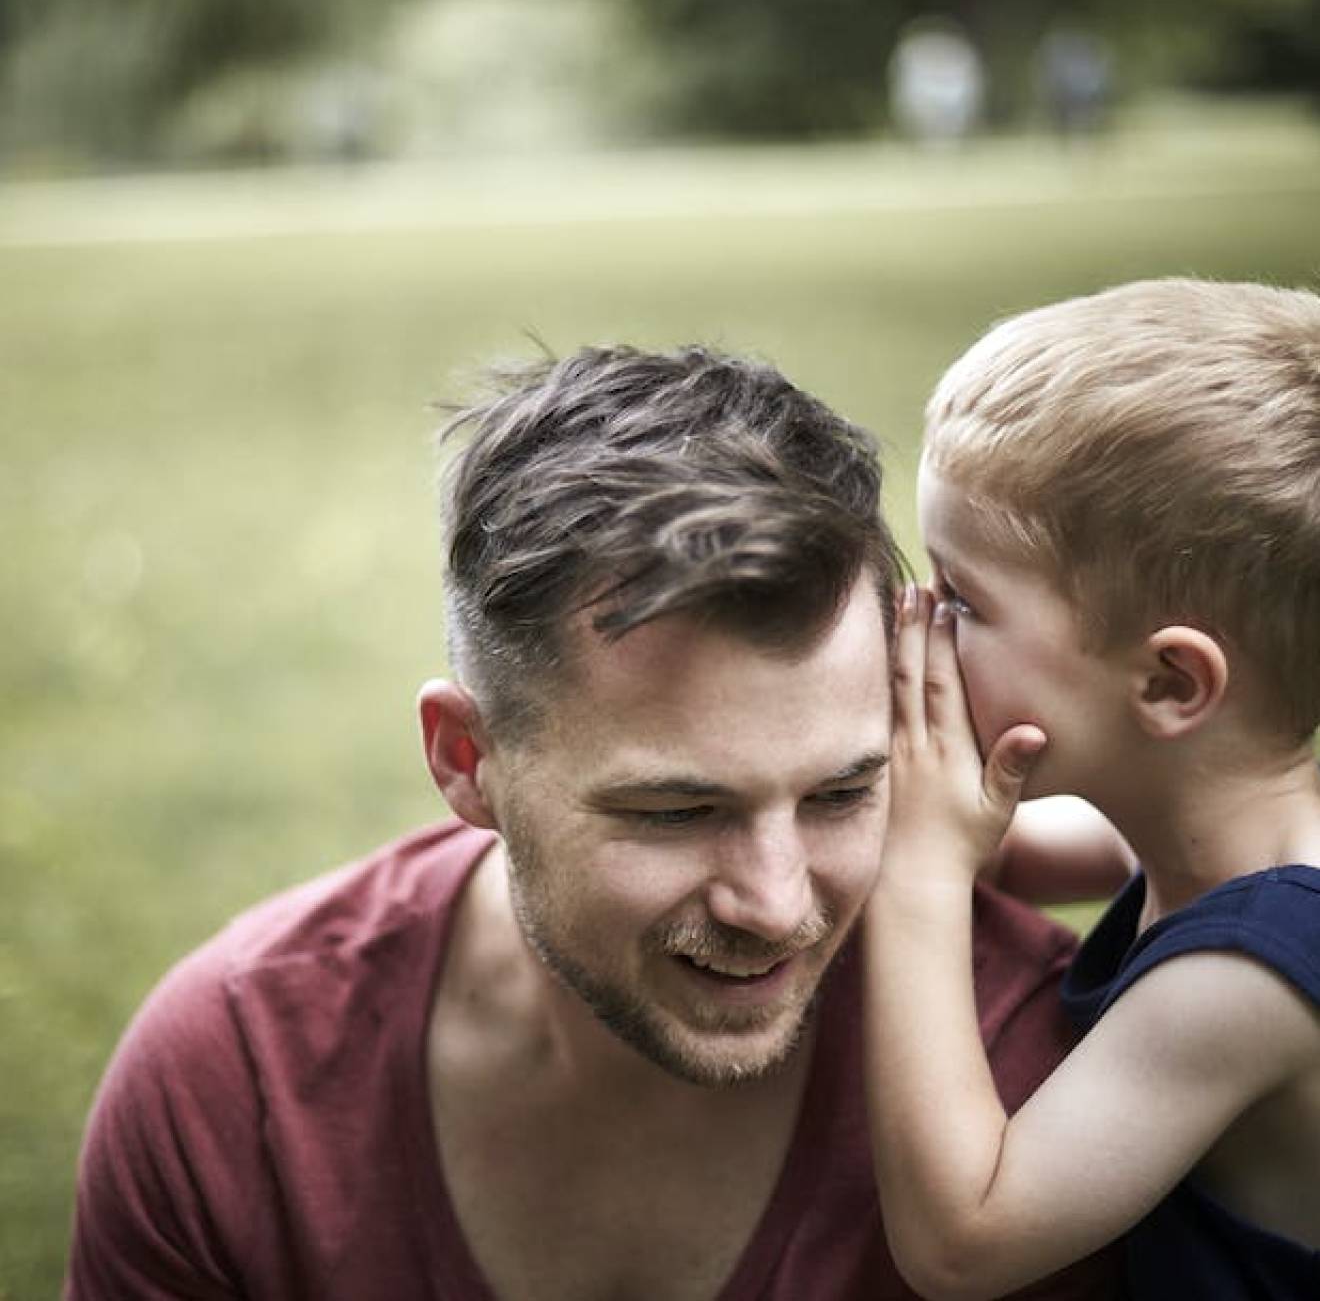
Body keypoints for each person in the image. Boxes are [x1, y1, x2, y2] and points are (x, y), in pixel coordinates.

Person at [66, 345, 1121, 1299]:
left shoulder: (1040, 1093)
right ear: (466, 761)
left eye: (843, 794)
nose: (776, 901)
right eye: (676, 810)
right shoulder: (237, 1084)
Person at [865, 278, 1320, 1300]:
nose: (921, 622)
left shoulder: (1249, 984)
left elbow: (963, 1241)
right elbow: (1018, 850)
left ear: (1167, 684)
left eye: (964, 599)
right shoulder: (1219, 838)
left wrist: (918, 875)